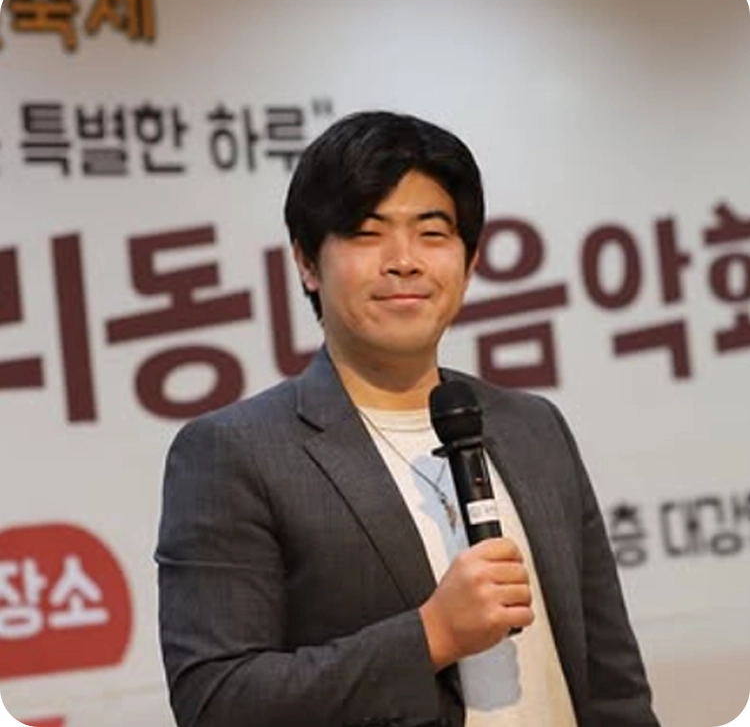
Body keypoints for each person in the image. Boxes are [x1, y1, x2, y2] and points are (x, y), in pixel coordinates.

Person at [156, 110, 660, 727]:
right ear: (307, 262)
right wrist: (431, 635)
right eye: (368, 233)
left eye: (432, 233)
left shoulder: (533, 427)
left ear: (469, 262)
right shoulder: (235, 453)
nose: (404, 261)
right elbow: (216, 700)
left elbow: (612, 681)